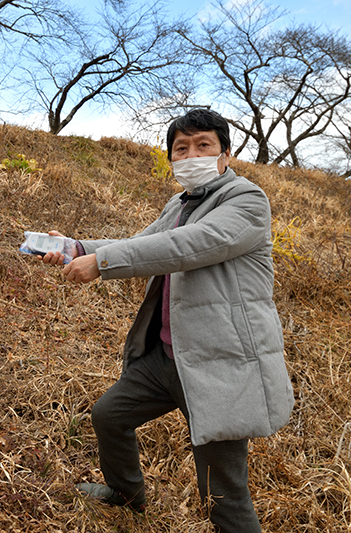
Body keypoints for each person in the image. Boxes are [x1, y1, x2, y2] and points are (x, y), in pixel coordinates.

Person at [41, 109, 294, 532]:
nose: (191, 154)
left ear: (226, 153)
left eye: (203, 145)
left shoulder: (247, 201)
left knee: (223, 492)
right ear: (171, 160)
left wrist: (101, 263)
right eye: (181, 148)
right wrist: (76, 246)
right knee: (109, 416)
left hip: (221, 364)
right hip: (167, 358)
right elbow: (146, 243)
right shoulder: (180, 202)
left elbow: (188, 246)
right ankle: (127, 496)